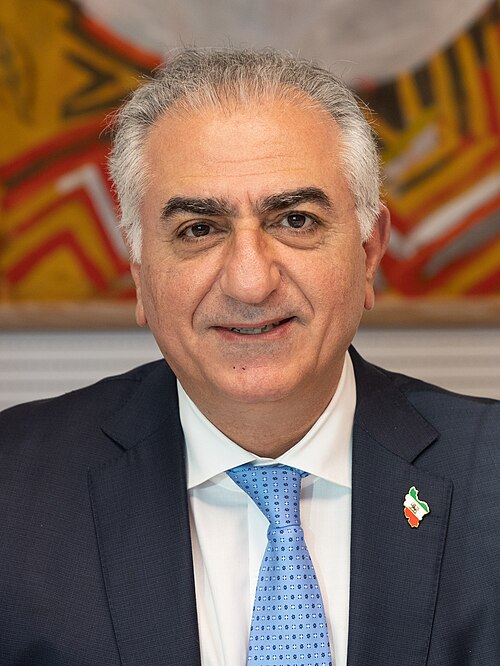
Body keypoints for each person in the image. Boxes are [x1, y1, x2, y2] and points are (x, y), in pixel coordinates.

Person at [0, 48, 498, 666]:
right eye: (198, 229)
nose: (250, 282)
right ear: (141, 274)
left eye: (295, 220)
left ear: (369, 254)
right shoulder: (14, 489)